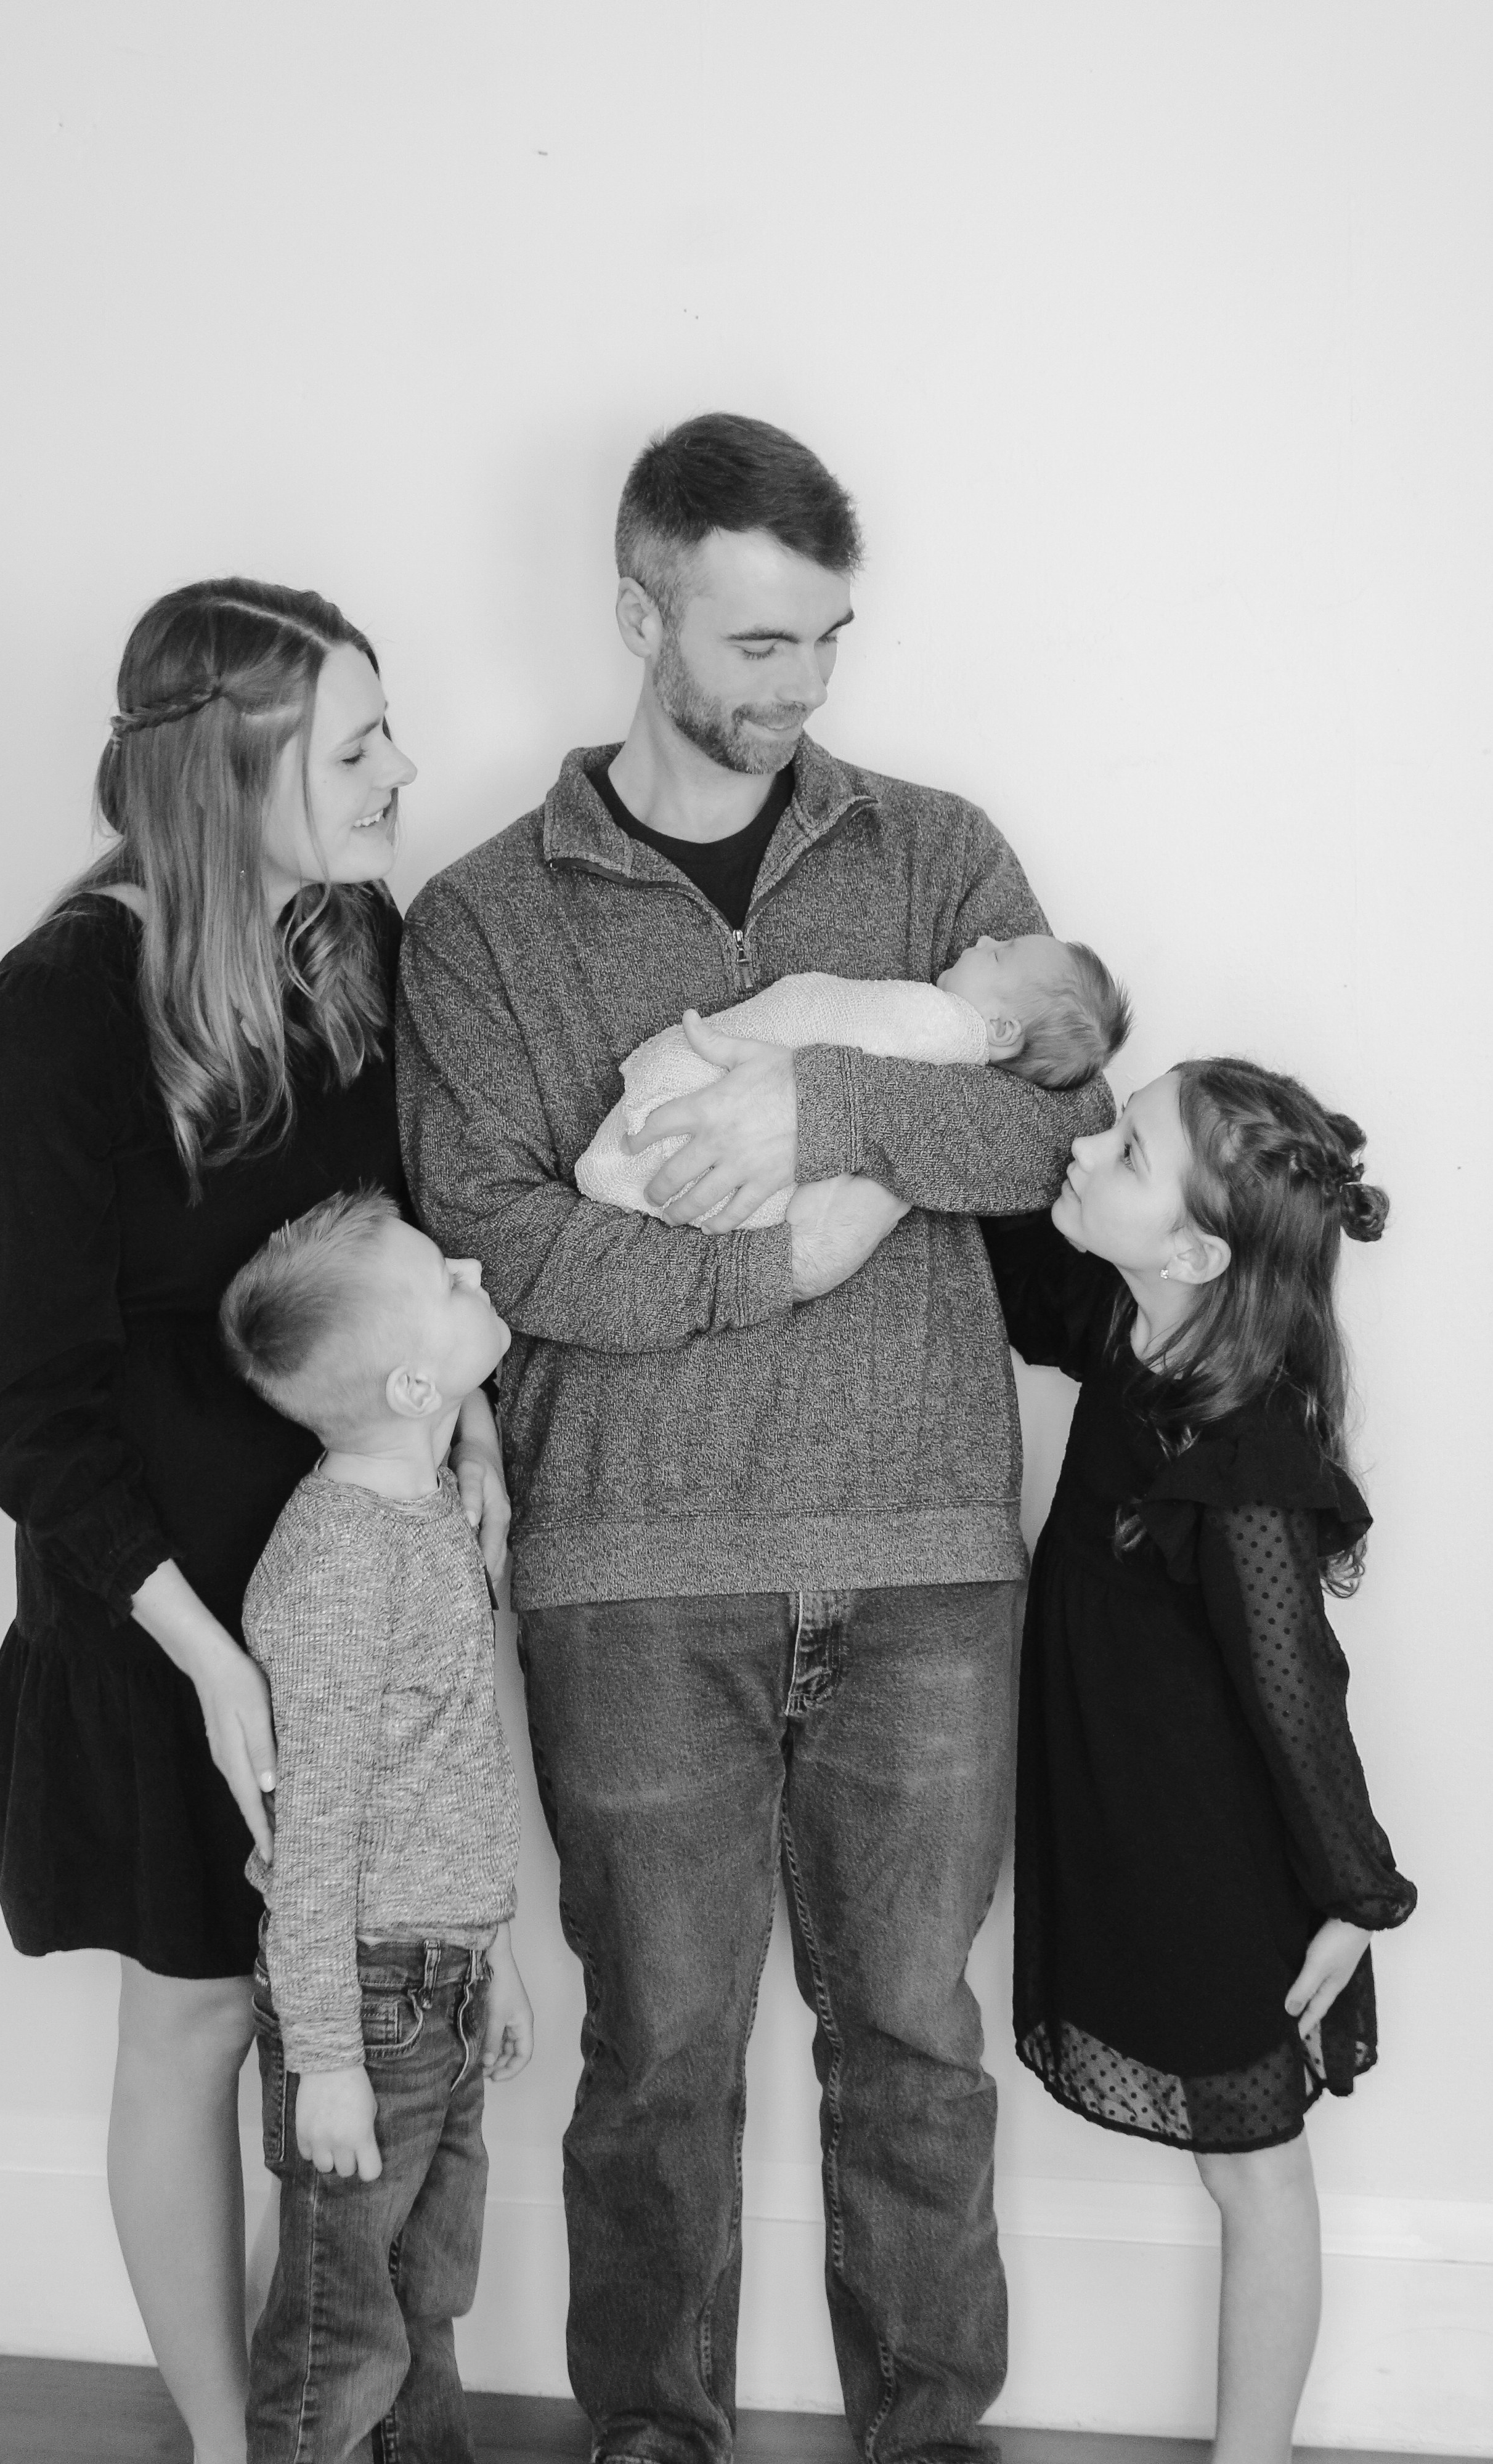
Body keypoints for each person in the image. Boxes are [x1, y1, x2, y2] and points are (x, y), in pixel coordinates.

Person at [395, 412, 1114, 2463]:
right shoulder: (483, 921)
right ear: (640, 617)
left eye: (824, 641)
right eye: (754, 643)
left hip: (923, 1555)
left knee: (916, 2053)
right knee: (656, 2062)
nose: (797, 688)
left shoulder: (939, 856)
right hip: (632, 1573)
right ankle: (653, 2442)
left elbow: (1052, 1135)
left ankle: (927, 2436)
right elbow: (508, 1244)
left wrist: (818, 1109)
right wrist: (780, 1265)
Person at [0, 581, 510, 2464]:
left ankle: (348, 2413)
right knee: (198, 2024)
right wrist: (207, 1662)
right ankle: (224, 2437)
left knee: (372, 2032)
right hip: (165, 1629)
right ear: (225, 776)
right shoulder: (46, 1024)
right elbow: (36, 1417)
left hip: (356, 1605)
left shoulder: (356, 946)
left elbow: (398, 1246)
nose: (402, 770)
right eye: (355, 746)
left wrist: (468, 1424)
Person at [981, 1058, 1415, 2464]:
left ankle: (1253, 2457)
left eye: (1123, 1149)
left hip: (1220, 1859)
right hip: (1131, 1818)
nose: (1085, 1149)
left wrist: (1354, 1893)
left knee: (1256, 2175)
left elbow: (1297, 1694)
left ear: (1194, 1252)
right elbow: (1018, 1267)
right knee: (1246, 2169)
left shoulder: (1242, 1450)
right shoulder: (1130, 1326)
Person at [219, 1189, 532, 2463]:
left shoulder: (427, 1507)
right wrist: (329, 2060)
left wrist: (492, 1954)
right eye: (445, 1279)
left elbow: (447, 1772)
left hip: (437, 1985)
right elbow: (315, 1833)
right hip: (365, 2001)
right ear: (413, 1385)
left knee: (424, 2293)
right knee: (340, 2331)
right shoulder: (339, 1561)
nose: (473, 1267)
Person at [577, 931, 1131, 1225]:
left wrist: (819, 1102)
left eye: (1000, 953)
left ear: (1002, 1029)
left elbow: (1075, 1124)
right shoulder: (949, 1056)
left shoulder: (933, 1022)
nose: (984, 938)